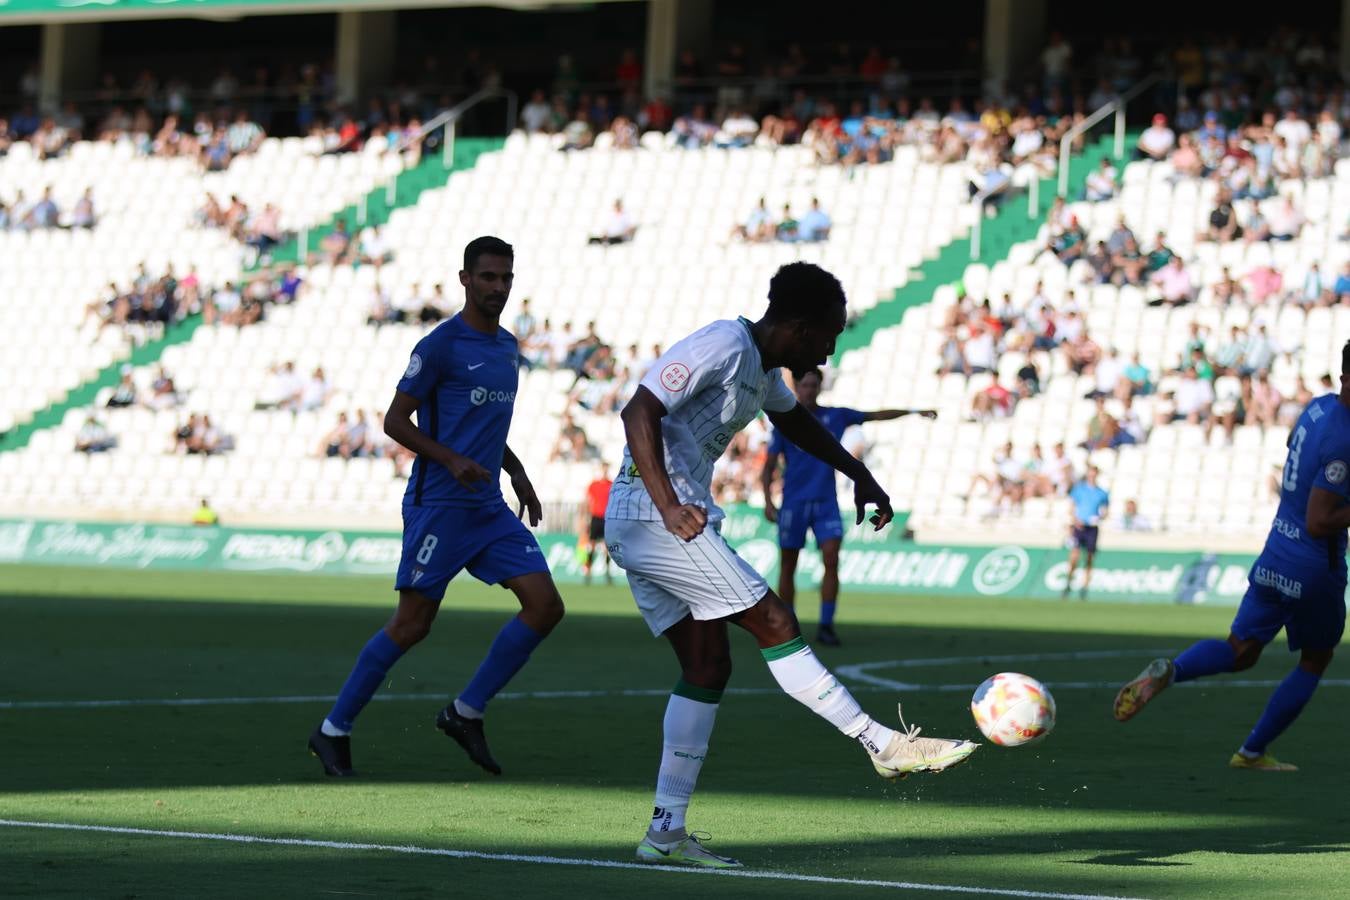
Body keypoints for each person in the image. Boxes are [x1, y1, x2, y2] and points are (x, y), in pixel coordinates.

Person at [605, 262, 978, 869]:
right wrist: (670, 506)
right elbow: (637, 411)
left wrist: (861, 475)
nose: (829, 352)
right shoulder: (723, 344)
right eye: (829, 335)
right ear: (801, 328)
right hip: (657, 516)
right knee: (775, 620)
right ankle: (880, 743)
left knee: (707, 665)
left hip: (655, 519)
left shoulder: (761, 369)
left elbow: (797, 423)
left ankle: (665, 832)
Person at [308, 237, 565, 778]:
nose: (498, 286)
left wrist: (515, 470)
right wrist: (449, 459)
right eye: (489, 277)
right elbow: (395, 421)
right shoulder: (441, 345)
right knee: (412, 624)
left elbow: (490, 425)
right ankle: (333, 731)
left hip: (488, 505)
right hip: (440, 504)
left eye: (506, 277)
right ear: (465, 279)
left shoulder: (507, 347)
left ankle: (464, 712)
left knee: (545, 606)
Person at [1114, 341, 1350, 772]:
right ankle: (1252, 751)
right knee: (1317, 659)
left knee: (1241, 649)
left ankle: (1174, 669)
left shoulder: (1318, 408)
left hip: (1277, 549)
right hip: (1316, 565)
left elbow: (1292, 448)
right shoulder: (1346, 439)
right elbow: (1322, 520)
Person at [760, 367, 935, 646]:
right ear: (798, 388)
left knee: (831, 559)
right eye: (804, 385)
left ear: (819, 387)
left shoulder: (836, 415)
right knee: (788, 564)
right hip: (793, 501)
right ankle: (788, 627)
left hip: (826, 502)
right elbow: (769, 465)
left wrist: (913, 411)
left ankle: (826, 625)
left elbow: (875, 415)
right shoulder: (785, 420)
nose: (808, 390)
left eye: (813, 385)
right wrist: (768, 501)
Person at [1063, 465, 1109, 601]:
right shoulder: (1079, 489)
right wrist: (1075, 520)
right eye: (1090, 474)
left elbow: (1105, 511)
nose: (1092, 476)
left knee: (1089, 558)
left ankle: (1084, 588)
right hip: (1079, 526)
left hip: (1092, 527)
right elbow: (1071, 507)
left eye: (1094, 474)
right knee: (1074, 556)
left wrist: (1099, 517)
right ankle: (1068, 582)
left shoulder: (1102, 493)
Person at [583, 464, 613, 586]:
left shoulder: (611, 484)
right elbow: (587, 501)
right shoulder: (594, 485)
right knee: (592, 546)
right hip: (595, 518)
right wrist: (585, 519)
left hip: (606, 518)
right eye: (603, 469)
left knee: (607, 548)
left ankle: (607, 573)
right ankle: (588, 573)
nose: (605, 471)